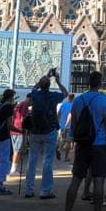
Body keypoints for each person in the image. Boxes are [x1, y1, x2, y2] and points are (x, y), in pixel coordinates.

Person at [61, 71, 106, 211]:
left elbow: (74, 124)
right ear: (100, 83)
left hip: (83, 145)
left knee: (75, 180)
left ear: (88, 82)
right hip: (99, 145)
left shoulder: (78, 100)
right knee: (98, 181)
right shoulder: (103, 100)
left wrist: (78, 140)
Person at [24, 67, 68, 199]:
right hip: (49, 130)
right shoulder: (53, 96)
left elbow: (34, 87)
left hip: (35, 131)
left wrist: (46, 77)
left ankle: (29, 190)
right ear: (49, 86)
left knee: (32, 160)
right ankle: (45, 190)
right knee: (48, 160)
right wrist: (58, 81)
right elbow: (65, 93)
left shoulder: (35, 95)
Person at [9, 93, 30, 175]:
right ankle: (13, 170)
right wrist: (24, 129)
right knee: (17, 150)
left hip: (14, 129)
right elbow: (22, 118)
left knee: (16, 150)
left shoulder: (20, 104)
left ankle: (14, 168)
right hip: (19, 130)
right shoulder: (25, 104)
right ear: (30, 98)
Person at [57, 93, 75, 162]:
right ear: (73, 98)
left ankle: (59, 148)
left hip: (62, 126)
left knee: (63, 139)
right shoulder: (73, 106)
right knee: (68, 142)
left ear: (68, 98)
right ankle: (66, 157)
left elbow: (58, 114)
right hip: (70, 126)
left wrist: (59, 122)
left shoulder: (63, 105)